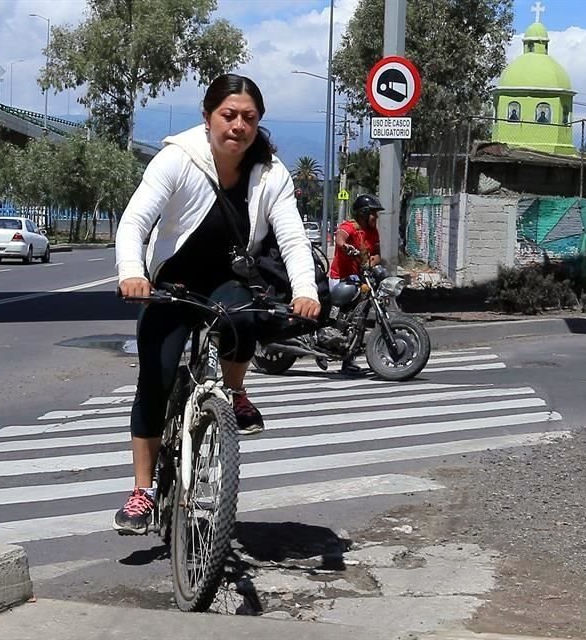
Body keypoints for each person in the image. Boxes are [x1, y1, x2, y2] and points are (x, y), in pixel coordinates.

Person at [113, 74, 321, 535]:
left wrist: (305, 289)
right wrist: (133, 272)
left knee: (245, 318)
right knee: (156, 375)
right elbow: (135, 221)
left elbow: (290, 235)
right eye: (229, 115)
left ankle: (234, 391)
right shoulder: (177, 160)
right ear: (207, 117)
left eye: (249, 117)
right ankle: (142, 491)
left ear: (259, 123)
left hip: (227, 279)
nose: (238, 126)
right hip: (171, 281)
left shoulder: (271, 174)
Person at [328, 194, 383, 374]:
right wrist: (345, 246)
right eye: (374, 213)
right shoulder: (349, 227)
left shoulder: (373, 231)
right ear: (363, 213)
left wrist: (371, 263)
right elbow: (340, 238)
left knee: (358, 319)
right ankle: (325, 347)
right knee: (338, 318)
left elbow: (377, 255)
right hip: (341, 278)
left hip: (361, 279)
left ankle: (348, 361)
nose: (376, 217)